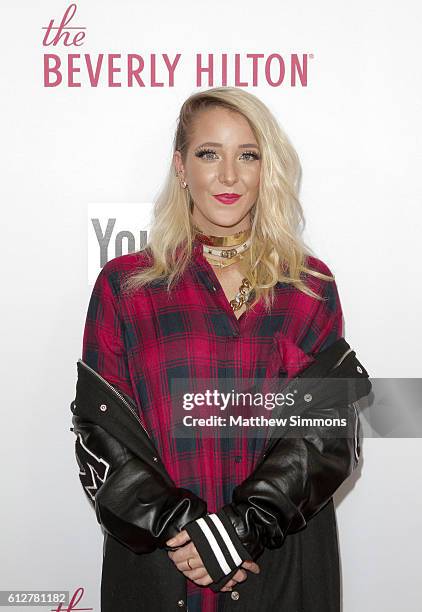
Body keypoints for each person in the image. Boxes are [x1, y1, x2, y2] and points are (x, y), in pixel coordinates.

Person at [82, 86, 351, 611]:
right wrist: (190, 537)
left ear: (264, 168)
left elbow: (327, 436)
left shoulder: (308, 285)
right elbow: (102, 433)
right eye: (210, 154)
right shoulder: (125, 286)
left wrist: (238, 531)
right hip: (163, 562)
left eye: (247, 155)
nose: (229, 175)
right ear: (181, 167)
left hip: (279, 560)